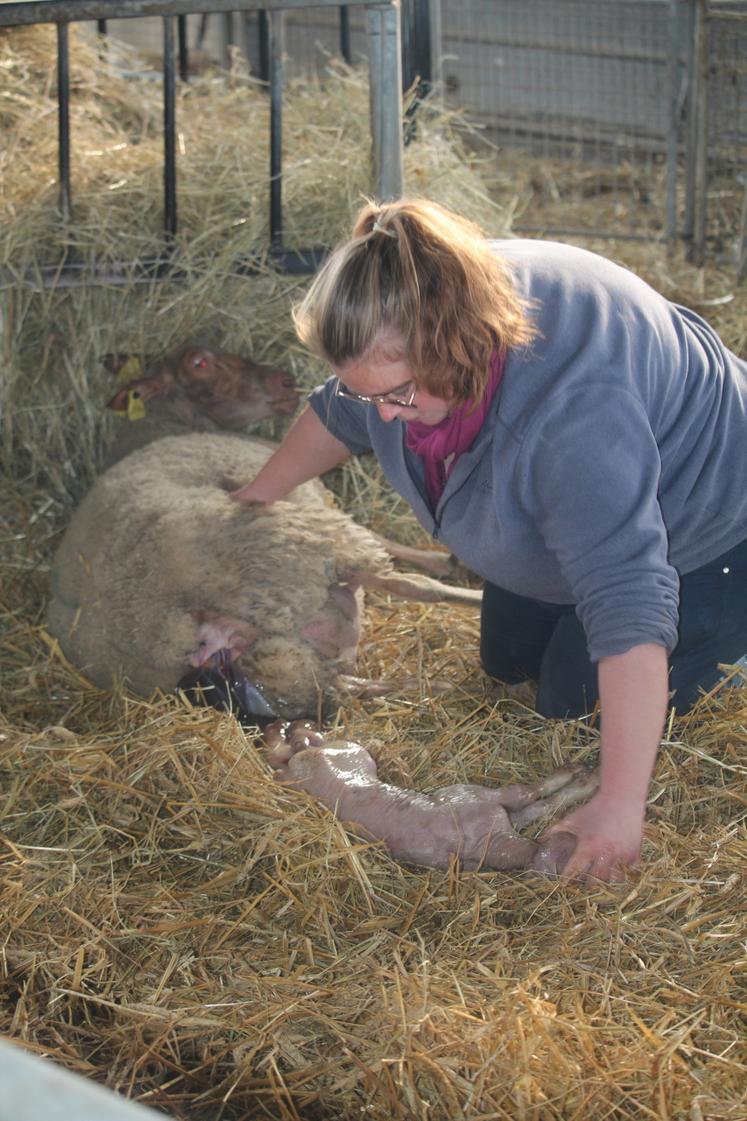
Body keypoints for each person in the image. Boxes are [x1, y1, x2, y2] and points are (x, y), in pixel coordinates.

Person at [231, 197, 747, 882]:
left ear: (459, 349)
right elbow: (339, 410)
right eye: (370, 394)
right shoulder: (412, 319)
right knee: (506, 664)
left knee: (573, 705)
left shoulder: (571, 418)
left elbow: (627, 603)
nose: (383, 415)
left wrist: (620, 805)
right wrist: (253, 498)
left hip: (711, 525)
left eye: (399, 395)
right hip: (578, 504)